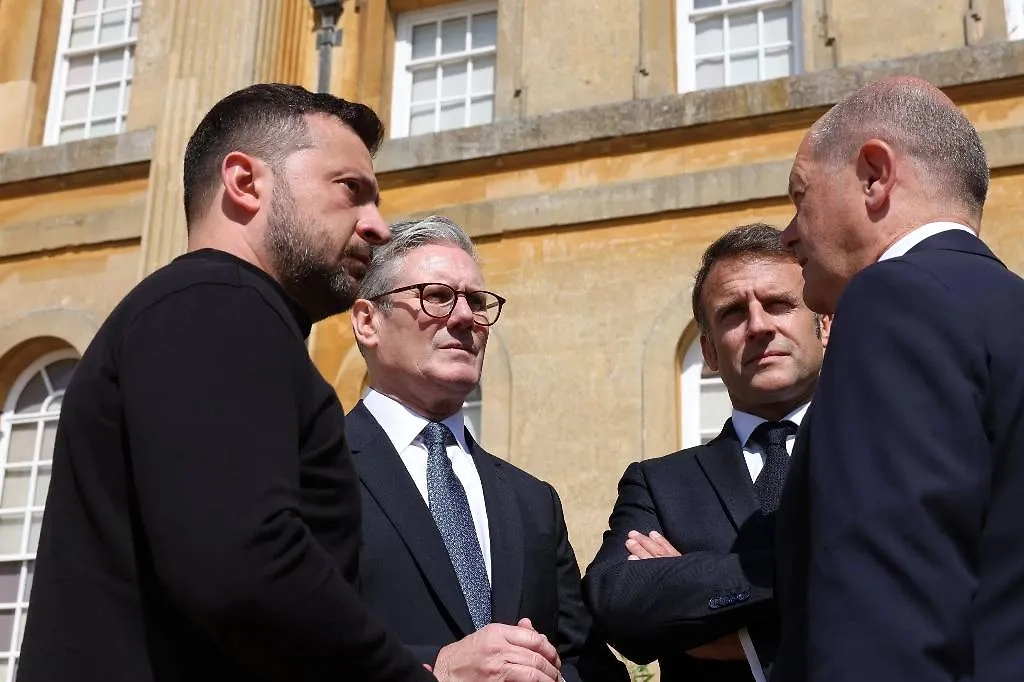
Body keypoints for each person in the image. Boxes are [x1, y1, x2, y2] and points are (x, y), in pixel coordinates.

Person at [18, 84, 436, 682]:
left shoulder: (204, 313)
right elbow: (245, 565)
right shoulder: (218, 305)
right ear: (245, 182)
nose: (379, 226)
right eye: (351, 190)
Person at [773, 76, 1024, 682]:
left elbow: (886, 613)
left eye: (800, 197)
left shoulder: (892, 298)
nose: (787, 233)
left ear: (874, 176)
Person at [347, 215, 628, 682]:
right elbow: (271, 644)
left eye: (477, 302)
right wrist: (435, 672)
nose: (464, 318)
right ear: (368, 321)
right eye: (436, 297)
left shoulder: (532, 501)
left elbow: (584, 659)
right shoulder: (307, 471)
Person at [583, 223, 828, 681]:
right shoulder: (661, 483)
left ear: (825, 325)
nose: (758, 325)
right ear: (710, 352)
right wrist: (820, 571)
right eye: (733, 313)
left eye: (779, 304)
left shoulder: (875, 445)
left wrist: (691, 582)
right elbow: (615, 600)